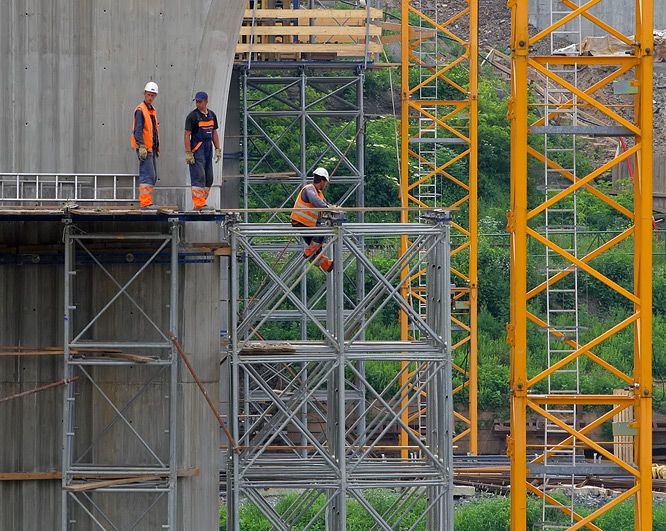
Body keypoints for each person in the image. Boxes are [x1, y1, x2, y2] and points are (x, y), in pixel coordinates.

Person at [290, 167, 334, 273]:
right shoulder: (309, 189)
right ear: (322, 180)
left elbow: (325, 203)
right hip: (300, 222)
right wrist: (329, 209)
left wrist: (331, 208)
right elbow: (316, 202)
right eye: (326, 182)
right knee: (322, 232)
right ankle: (309, 253)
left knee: (317, 249)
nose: (326, 185)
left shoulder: (318, 193)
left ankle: (327, 265)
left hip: (308, 224)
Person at [184, 91, 222, 210]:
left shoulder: (211, 115)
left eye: (200, 101)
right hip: (197, 148)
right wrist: (189, 152)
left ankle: (202, 202)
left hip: (208, 148)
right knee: (199, 175)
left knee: (209, 177)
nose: (198, 103)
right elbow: (187, 135)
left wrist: (217, 148)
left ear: (206, 101)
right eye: (196, 101)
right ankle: (199, 204)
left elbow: (214, 132)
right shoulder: (192, 116)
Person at [131, 82, 160, 209]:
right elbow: (137, 130)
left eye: (153, 95)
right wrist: (141, 146)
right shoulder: (140, 110)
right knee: (147, 175)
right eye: (149, 94)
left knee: (153, 176)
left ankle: (147, 202)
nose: (150, 97)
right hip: (144, 148)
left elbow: (153, 130)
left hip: (150, 148)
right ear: (144, 94)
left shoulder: (151, 110)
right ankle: (145, 203)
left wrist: (156, 147)